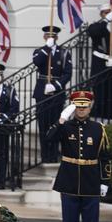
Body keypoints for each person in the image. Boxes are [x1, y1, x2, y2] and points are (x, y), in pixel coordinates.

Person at [47, 90, 111, 222]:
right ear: (73, 107)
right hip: (69, 181)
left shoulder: (98, 129)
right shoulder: (65, 127)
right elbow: (49, 139)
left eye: (84, 106)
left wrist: (105, 181)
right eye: (78, 106)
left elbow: (106, 157)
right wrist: (60, 119)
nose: (81, 110)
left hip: (91, 182)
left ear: (89, 107)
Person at [32, 25, 72, 163]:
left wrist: (55, 86)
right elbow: (37, 62)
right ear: (44, 37)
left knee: (55, 124)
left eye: (53, 36)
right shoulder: (39, 51)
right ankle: (45, 155)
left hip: (57, 93)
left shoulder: (64, 53)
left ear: (57, 37)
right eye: (48, 36)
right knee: (42, 124)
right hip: (42, 92)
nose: (51, 38)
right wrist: (47, 48)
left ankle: (54, 154)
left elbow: (67, 73)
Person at [86, 4, 112, 121]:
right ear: (101, 15)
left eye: (109, 12)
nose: (108, 14)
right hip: (99, 65)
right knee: (100, 95)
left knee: (111, 95)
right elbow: (94, 33)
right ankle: (97, 120)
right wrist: (106, 21)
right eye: (105, 12)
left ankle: (110, 120)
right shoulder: (96, 26)